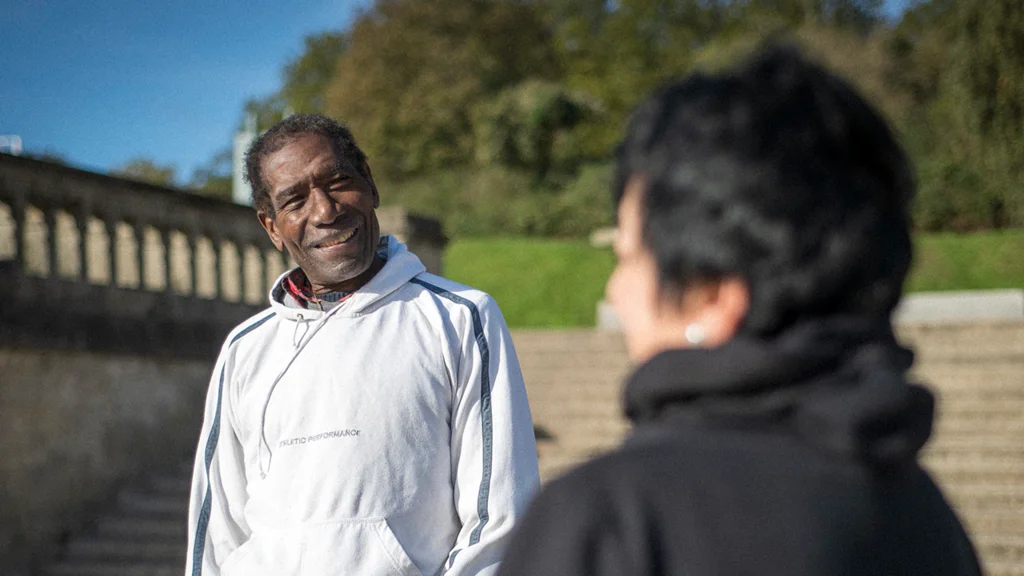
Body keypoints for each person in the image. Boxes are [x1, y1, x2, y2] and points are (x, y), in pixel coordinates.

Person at [497, 46, 982, 576]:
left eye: (628, 257)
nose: (616, 291)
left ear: (714, 294)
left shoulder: (611, 518)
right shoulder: (925, 512)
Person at [184, 114, 539, 576]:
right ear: (271, 227)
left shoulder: (460, 318)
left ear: (370, 185)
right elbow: (217, 537)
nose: (325, 211)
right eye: (294, 200)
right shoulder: (244, 349)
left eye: (338, 181)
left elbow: (501, 520)